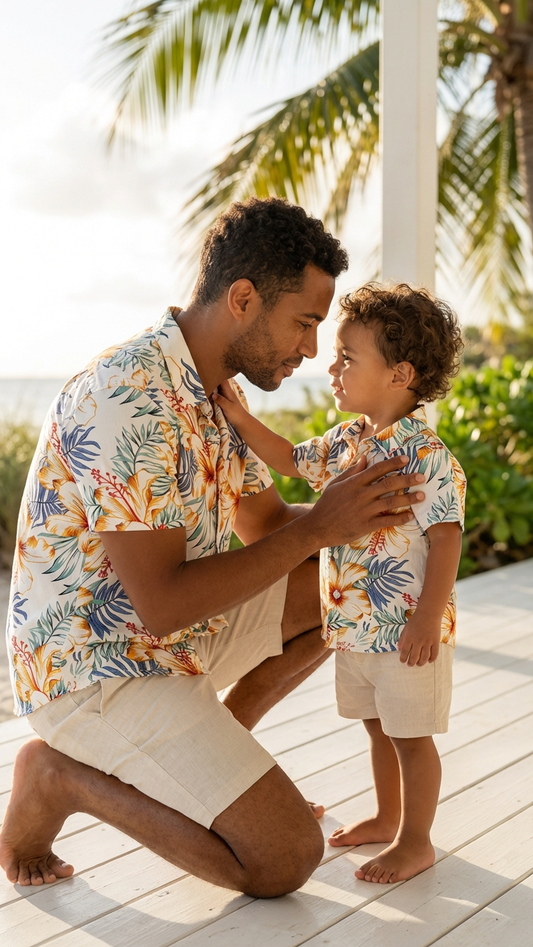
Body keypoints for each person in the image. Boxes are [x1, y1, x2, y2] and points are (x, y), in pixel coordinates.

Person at [0, 200, 426, 896]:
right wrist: (320, 524)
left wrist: (380, 527)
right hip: (95, 669)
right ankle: (59, 776)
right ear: (242, 298)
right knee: (283, 857)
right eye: (304, 321)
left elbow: (267, 528)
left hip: (165, 644)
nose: (312, 349)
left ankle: (211, 751)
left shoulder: (209, 391)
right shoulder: (130, 393)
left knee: (348, 578)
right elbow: (164, 603)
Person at [214, 281, 466, 885]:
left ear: (400, 374)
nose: (331, 366)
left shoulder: (426, 457)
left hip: (408, 632)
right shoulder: (348, 442)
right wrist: (239, 415)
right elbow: (289, 459)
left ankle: (417, 840)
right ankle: (386, 815)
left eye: (348, 358)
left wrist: (427, 618)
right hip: (355, 629)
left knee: (412, 738)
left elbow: (446, 538)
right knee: (377, 727)